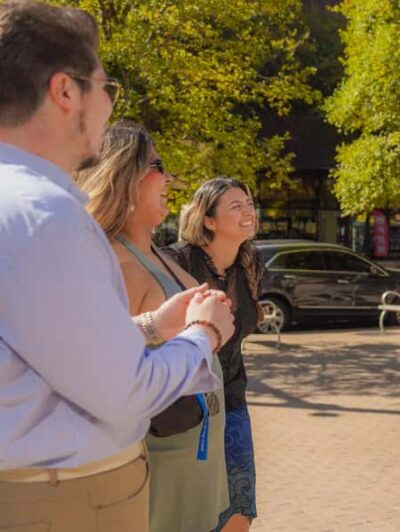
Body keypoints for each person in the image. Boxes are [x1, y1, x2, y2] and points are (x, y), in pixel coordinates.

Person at [0, 2, 235, 531]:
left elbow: (50, 347)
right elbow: (126, 395)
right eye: (107, 87)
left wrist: (154, 326)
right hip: (69, 499)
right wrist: (203, 333)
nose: (109, 105)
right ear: (65, 91)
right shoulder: (47, 216)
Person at [78, 121, 230, 532]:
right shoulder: (116, 262)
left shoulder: (159, 255)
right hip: (164, 453)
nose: (169, 178)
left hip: (196, 449)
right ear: (123, 174)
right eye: (158, 166)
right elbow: (100, 359)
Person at [165, 177, 264, 531]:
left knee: (240, 506)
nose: (247, 212)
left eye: (249, 204)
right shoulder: (175, 261)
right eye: (235, 206)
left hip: (233, 400)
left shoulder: (250, 262)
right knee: (192, 513)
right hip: (187, 408)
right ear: (208, 220)